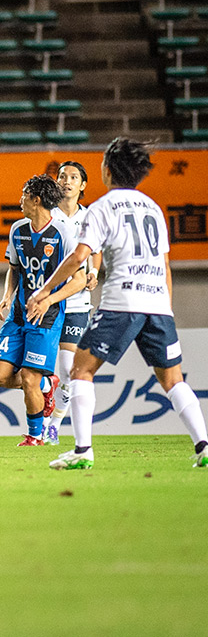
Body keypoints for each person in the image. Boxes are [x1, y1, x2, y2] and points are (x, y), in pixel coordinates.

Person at [28, 138, 208, 470]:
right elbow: (166, 266)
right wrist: (166, 309)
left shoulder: (102, 208)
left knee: (80, 371)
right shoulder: (153, 208)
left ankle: (82, 450)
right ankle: (204, 446)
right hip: (158, 304)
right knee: (173, 379)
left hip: (122, 301)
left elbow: (79, 256)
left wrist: (44, 289)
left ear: (108, 171)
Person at [0, 175, 86, 446]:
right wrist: (7, 296)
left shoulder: (64, 233)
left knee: (29, 377)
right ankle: (47, 384)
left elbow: (79, 280)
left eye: (24, 195)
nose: (20, 200)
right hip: (18, 315)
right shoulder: (17, 229)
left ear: (36, 199)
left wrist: (49, 300)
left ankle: (35, 435)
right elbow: (14, 269)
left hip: (47, 317)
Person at [43, 162, 102, 444]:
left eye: (73, 177)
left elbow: (96, 251)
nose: (66, 181)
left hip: (77, 304)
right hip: (48, 303)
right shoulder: (47, 215)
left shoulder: (89, 217)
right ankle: (39, 422)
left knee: (68, 371)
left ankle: (53, 425)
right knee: (39, 372)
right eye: (62, 176)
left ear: (83, 185)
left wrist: (94, 271)